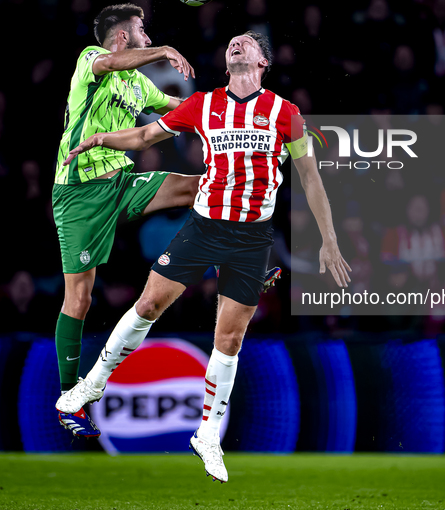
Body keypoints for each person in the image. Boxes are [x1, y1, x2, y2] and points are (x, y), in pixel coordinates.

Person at [55, 31, 351, 483]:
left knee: (228, 340)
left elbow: (311, 178)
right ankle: (90, 386)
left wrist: (329, 238)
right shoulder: (204, 104)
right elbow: (145, 135)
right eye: (232, 41)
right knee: (149, 304)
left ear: (262, 62)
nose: (237, 44)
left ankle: (207, 435)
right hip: (204, 227)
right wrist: (101, 139)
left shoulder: (285, 114)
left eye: (247, 42)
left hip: (252, 238)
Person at [52, 3, 202, 438]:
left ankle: (240, 259)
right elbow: (114, 61)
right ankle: (68, 400)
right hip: (79, 192)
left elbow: (183, 108)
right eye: (141, 29)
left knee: (197, 186)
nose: (147, 34)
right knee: (78, 299)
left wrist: (229, 113)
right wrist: (165, 50)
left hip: (121, 182)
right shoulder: (90, 60)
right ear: (122, 35)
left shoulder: (138, 84)